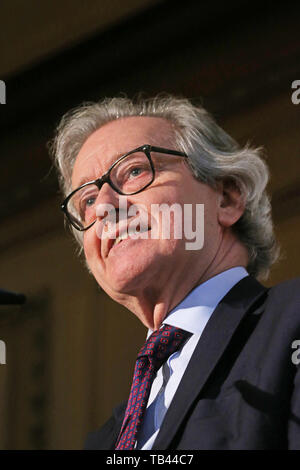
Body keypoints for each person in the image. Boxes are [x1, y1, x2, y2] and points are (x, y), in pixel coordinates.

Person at [50, 95, 300, 450]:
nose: (104, 207)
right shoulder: (105, 439)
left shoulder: (292, 324)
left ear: (227, 198)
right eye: (87, 201)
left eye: (134, 171)